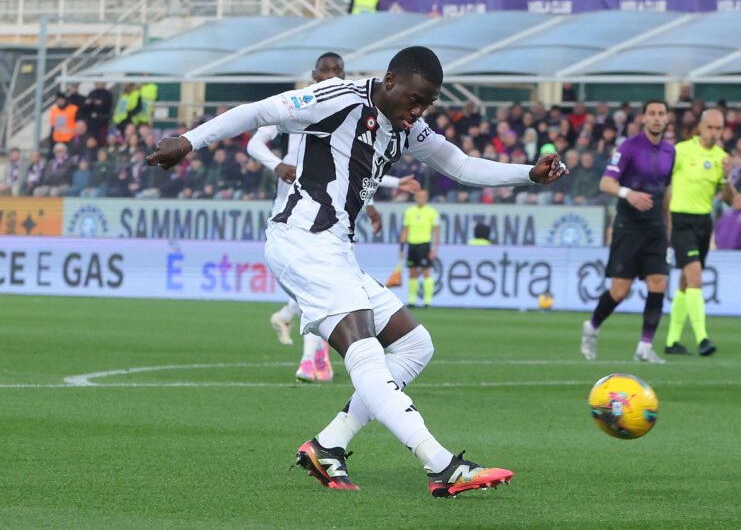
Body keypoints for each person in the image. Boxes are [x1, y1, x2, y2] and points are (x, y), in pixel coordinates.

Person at [147, 46, 567, 497]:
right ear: (390, 81)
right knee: (364, 351)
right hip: (303, 240)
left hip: (337, 250)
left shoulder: (406, 128)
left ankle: (328, 444)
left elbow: (460, 164)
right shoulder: (338, 97)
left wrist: (528, 174)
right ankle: (440, 464)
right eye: (414, 100)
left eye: (427, 104)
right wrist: (188, 141)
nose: (419, 112)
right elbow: (258, 112)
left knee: (414, 346)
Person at [247, 52, 420, 383]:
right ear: (314, 75)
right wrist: (277, 165)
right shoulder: (298, 105)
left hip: (332, 209)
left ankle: (305, 346)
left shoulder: (347, 108)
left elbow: (357, 168)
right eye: (325, 70)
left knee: (326, 285)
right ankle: (311, 357)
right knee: (325, 285)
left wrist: (379, 196)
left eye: (337, 70)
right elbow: (254, 144)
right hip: (294, 208)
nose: (331, 75)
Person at [581, 100, 675, 364]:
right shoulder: (628, 147)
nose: (657, 118)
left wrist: (668, 227)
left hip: (656, 226)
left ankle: (645, 346)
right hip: (629, 225)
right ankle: (592, 326)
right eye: (652, 113)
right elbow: (606, 182)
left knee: (659, 283)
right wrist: (628, 193)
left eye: (661, 114)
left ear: (667, 119)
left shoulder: (670, 151)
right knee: (620, 290)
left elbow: (666, 191)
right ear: (643, 118)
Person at [664, 109, 737, 357]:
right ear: (701, 127)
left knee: (686, 282)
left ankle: (672, 341)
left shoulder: (722, 158)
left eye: (719, 128)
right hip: (681, 220)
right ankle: (702, 338)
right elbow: (665, 184)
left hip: (704, 222)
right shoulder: (681, 150)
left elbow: (728, 199)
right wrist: (666, 220)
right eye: (711, 127)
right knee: (695, 277)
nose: (714, 132)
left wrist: (726, 178)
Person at [400, 190, 440, 308]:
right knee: (412, 272)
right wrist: (402, 247)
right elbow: (405, 230)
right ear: (415, 198)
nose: (420, 199)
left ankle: (427, 301)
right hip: (412, 245)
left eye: (423, 197)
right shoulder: (409, 212)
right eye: (418, 197)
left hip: (424, 245)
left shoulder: (432, 212)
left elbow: (436, 231)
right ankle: (412, 300)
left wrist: (434, 248)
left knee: (426, 271)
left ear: (426, 198)